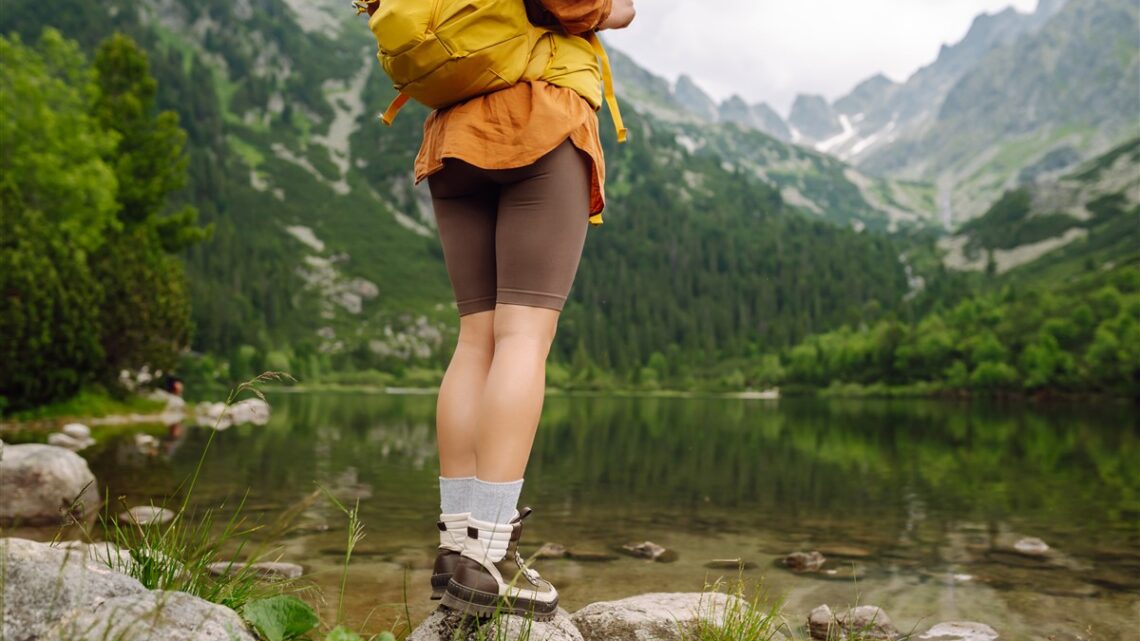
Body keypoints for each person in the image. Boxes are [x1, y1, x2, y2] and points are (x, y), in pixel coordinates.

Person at [368, 0, 636, 620]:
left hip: (454, 133)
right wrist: (618, 11)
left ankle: (455, 548)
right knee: (522, 339)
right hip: (537, 117)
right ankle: (489, 556)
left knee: (476, 340)